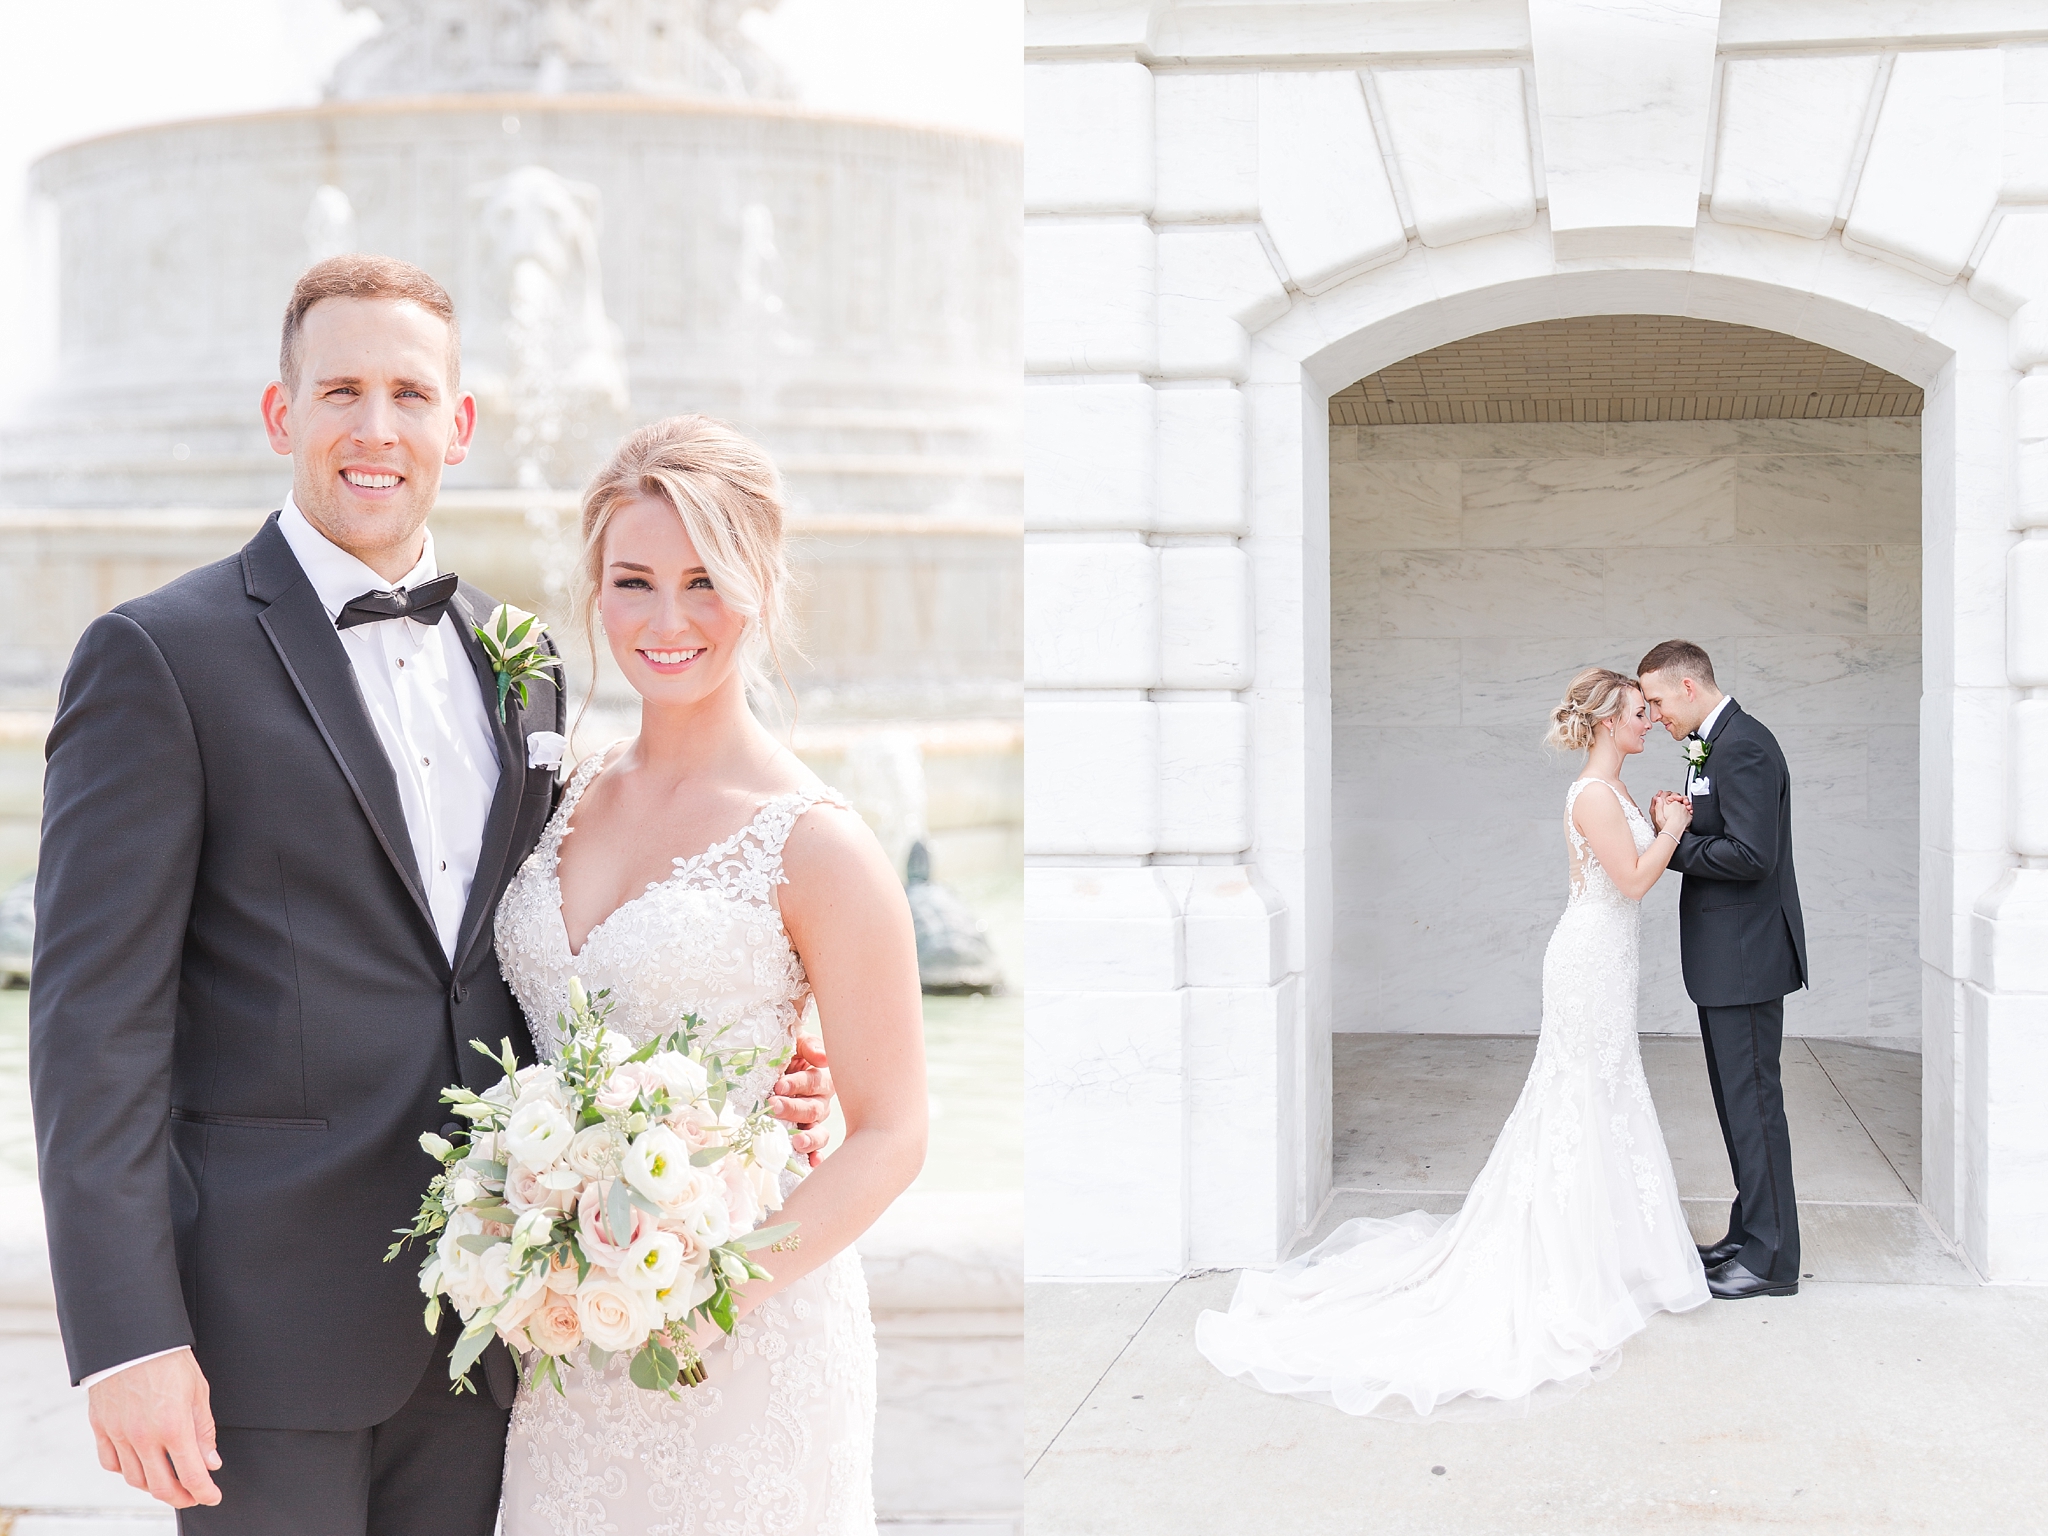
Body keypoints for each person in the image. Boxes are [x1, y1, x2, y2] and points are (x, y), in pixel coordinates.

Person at [28, 256, 835, 1534]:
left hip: (501, 1334)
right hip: (261, 1341)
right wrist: (128, 1341)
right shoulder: (159, 659)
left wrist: (769, 1079)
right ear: (281, 412)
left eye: (409, 393)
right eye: (339, 389)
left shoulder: (525, 671)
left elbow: (548, 960)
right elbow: (92, 1028)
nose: (374, 428)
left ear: (457, 425)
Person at [493, 414, 927, 1533]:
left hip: (741, 1344)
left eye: (705, 580)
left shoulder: (815, 844)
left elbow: (893, 1130)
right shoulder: (555, 803)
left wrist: (708, 1292)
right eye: (633, 581)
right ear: (594, 589)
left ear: (762, 586)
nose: (668, 619)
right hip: (565, 1336)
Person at [1194, 667, 1708, 1418]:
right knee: (1578, 1091)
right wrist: (1671, 831)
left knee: (1605, 1088)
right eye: (1637, 712)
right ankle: (1569, 1256)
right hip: (1588, 959)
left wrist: (1656, 820)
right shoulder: (1595, 794)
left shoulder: (1617, 789)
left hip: (1609, 958)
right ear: (1604, 723)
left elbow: (1626, 875)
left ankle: (1610, 1248)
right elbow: (1630, 882)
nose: (1647, 723)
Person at [1638, 639, 1808, 1300]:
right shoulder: (1716, 743)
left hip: (1747, 959)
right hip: (1728, 959)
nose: (1653, 717)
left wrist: (1671, 840)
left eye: (1655, 701)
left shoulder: (1744, 745)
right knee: (1741, 1104)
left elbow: (1751, 855)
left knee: (1756, 1103)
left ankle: (1772, 1260)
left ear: (1687, 687)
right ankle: (1751, 1231)